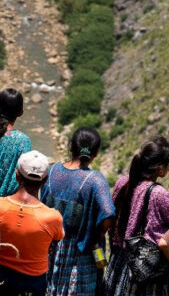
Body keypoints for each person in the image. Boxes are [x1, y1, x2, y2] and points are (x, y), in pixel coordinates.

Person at [105, 137, 169, 296]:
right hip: (143, 273)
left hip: (117, 265)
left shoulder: (123, 182)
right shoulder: (158, 194)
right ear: (160, 169)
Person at [42, 127, 116, 296]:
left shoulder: (53, 171)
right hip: (81, 252)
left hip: (52, 247)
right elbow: (108, 214)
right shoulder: (96, 180)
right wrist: (98, 233)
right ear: (95, 153)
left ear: (70, 147)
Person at [0, 151, 65, 296]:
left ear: (16, 175)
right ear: (44, 181)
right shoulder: (52, 217)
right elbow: (56, 240)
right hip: (32, 284)